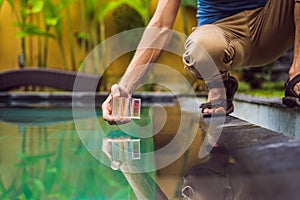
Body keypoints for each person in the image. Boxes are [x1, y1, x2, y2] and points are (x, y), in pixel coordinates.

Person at [103, 0, 300, 122]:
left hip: (271, 26)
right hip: (222, 35)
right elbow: (161, 25)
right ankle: (219, 85)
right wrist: (125, 89)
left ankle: (297, 76)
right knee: (199, 49)